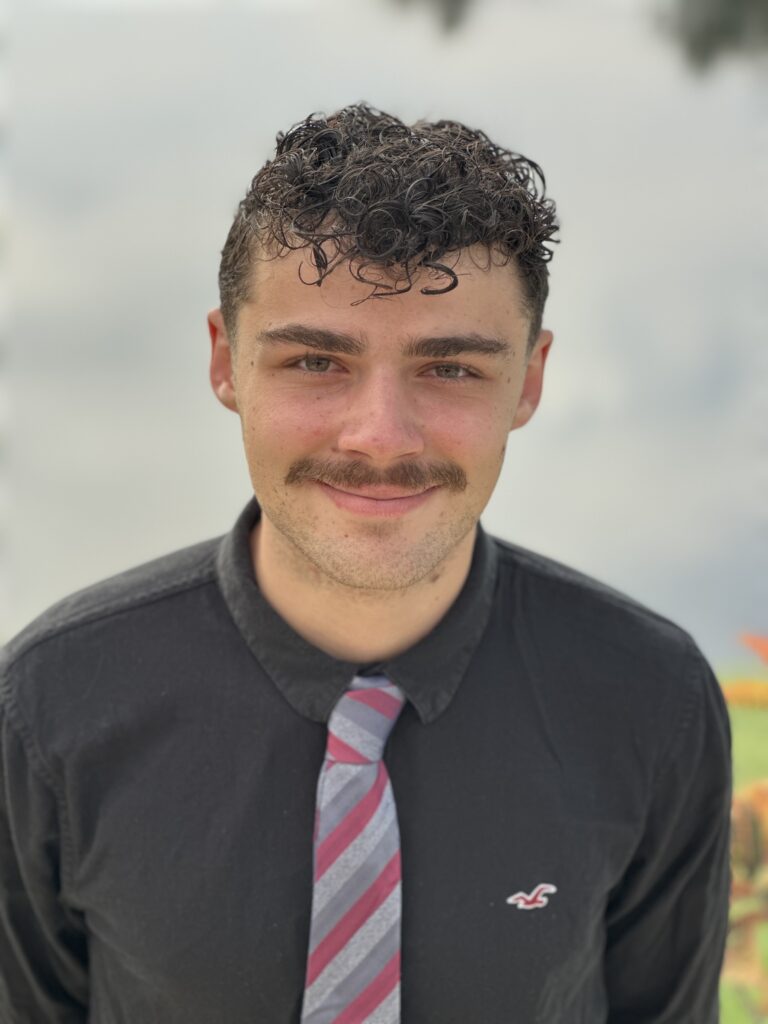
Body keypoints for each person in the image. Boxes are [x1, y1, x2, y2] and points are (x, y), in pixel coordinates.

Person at [0, 103, 731, 1023]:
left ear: (530, 382)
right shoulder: (52, 703)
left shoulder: (651, 701)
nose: (381, 436)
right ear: (227, 364)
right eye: (315, 361)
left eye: (452, 368)